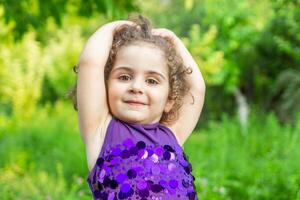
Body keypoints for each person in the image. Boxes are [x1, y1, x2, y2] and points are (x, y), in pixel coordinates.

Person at [68, 14, 205, 200]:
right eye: (124, 77)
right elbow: (90, 64)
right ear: (104, 87)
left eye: (152, 80)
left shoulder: (173, 133)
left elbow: (196, 89)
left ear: (170, 99)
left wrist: (175, 42)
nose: (136, 87)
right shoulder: (101, 130)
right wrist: (113, 28)